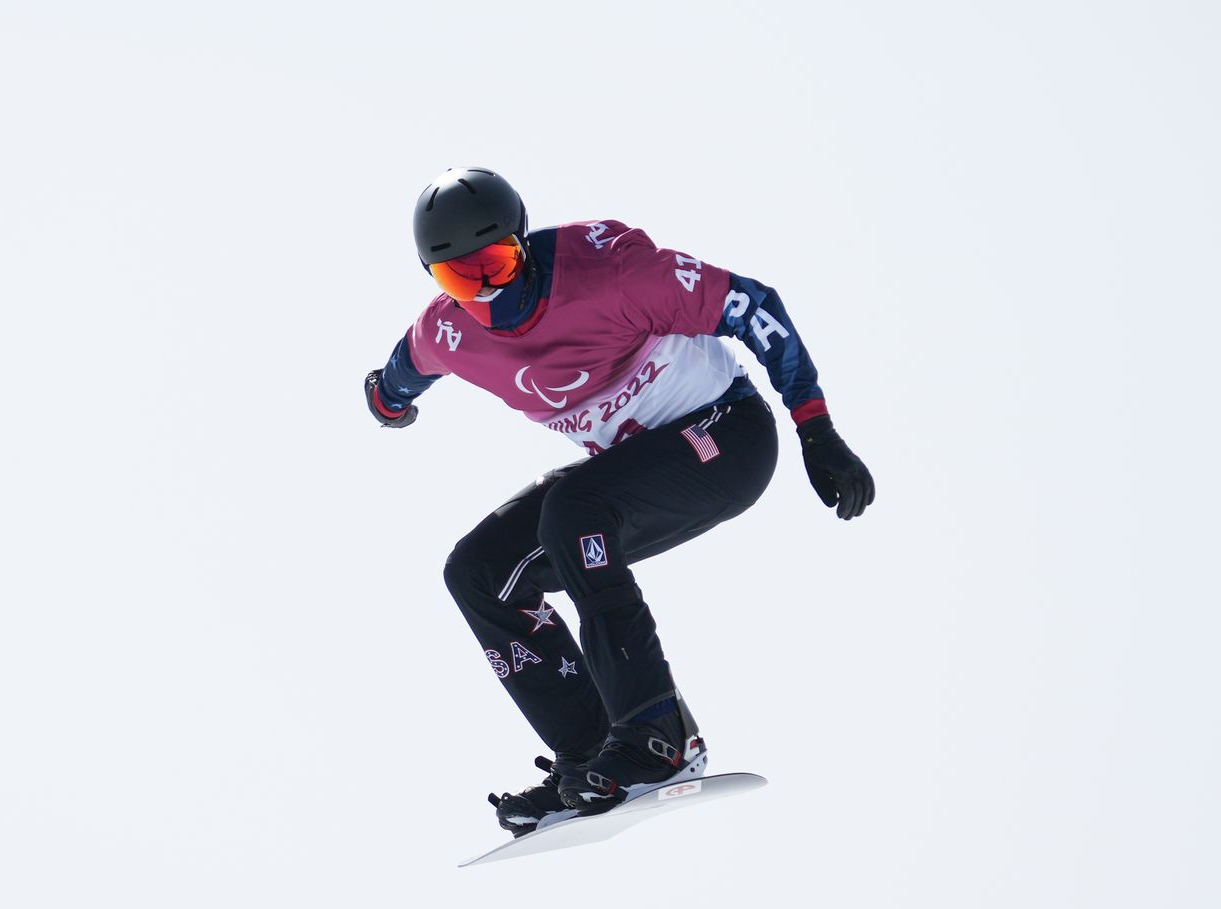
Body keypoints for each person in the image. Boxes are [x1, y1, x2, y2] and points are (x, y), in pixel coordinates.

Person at [365, 167, 875, 837]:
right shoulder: (448, 333)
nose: (488, 292)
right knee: (479, 572)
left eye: (498, 265)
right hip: (631, 469)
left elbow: (755, 305)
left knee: (573, 512)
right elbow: (399, 373)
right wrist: (386, 402)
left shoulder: (612, 272)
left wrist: (816, 429)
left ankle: (660, 735)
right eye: (463, 278)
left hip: (725, 435)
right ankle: (591, 752)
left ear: (524, 243)